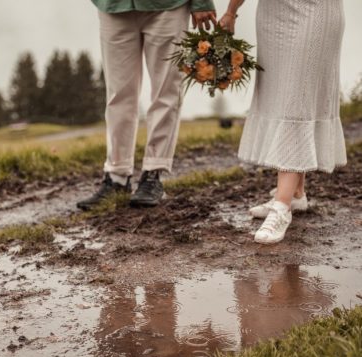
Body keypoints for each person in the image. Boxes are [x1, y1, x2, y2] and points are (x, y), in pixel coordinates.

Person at [220, 0, 346, 244]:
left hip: (314, 10)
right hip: (273, 15)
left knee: (296, 100)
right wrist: (231, 11)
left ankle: (282, 205)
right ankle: (295, 193)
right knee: (281, 97)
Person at [77, 0, 217, 210]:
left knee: (166, 89)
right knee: (117, 94)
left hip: (168, 7)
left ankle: (154, 171)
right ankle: (117, 175)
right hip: (113, 6)